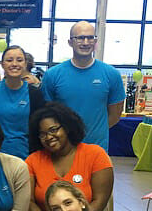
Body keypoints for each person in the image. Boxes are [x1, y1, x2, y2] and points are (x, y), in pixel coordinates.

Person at [42, 21, 126, 152]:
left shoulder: (111, 74)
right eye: (80, 38)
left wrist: (94, 132)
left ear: (95, 41)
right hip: (63, 150)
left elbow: (114, 116)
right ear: (70, 42)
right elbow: (47, 116)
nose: (86, 42)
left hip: (97, 150)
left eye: (90, 38)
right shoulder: (52, 75)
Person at [0, 45, 45, 159]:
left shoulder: (35, 95)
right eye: (9, 60)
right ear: (2, 64)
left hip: (26, 158)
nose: (14, 64)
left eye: (19, 60)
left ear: (25, 64)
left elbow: (39, 129)